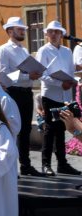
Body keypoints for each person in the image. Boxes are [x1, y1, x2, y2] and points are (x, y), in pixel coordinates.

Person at [0, 18, 39, 175]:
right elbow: (4, 74)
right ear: (9, 31)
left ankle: (25, 165)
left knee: (26, 130)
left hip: (27, 93)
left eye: (23, 29)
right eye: (19, 28)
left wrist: (35, 73)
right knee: (13, 130)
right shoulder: (3, 50)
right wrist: (28, 76)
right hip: (13, 93)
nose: (23, 31)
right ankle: (10, 166)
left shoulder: (23, 50)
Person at [35, 21, 77, 175]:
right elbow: (42, 75)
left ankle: (62, 164)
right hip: (50, 95)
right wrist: (60, 84)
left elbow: (71, 72)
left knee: (61, 130)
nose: (53, 34)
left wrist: (71, 82)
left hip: (64, 96)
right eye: (51, 32)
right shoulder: (43, 51)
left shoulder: (67, 51)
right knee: (49, 130)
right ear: (46, 34)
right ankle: (46, 164)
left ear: (61, 35)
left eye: (57, 32)